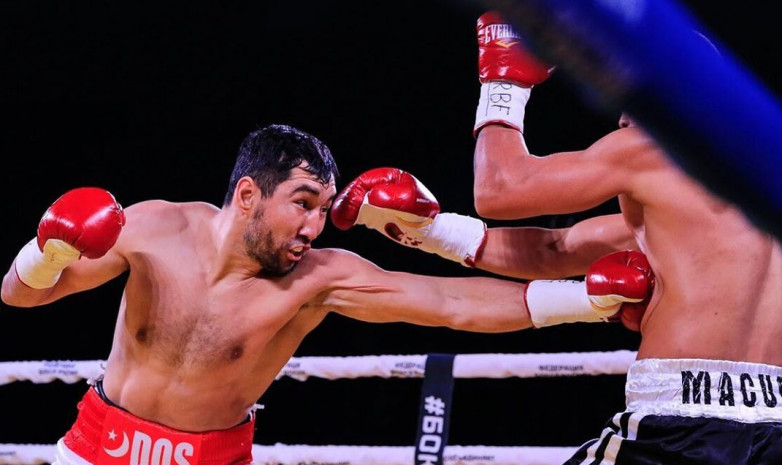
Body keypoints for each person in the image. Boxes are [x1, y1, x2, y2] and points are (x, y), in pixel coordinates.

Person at [0, 124, 653, 465]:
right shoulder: (152, 228)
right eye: (302, 205)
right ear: (249, 193)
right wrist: (46, 250)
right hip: (93, 450)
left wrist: (585, 299)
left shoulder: (316, 279)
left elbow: (452, 304)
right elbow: (20, 295)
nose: (313, 228)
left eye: (323, 210)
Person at [341, 12, 782, 464]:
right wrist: (430, 232)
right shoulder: (759, 192)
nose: (622, 115)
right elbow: (555, 250)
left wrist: (503, 85)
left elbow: (498, 189)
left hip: (676, 422)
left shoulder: (655, 149)